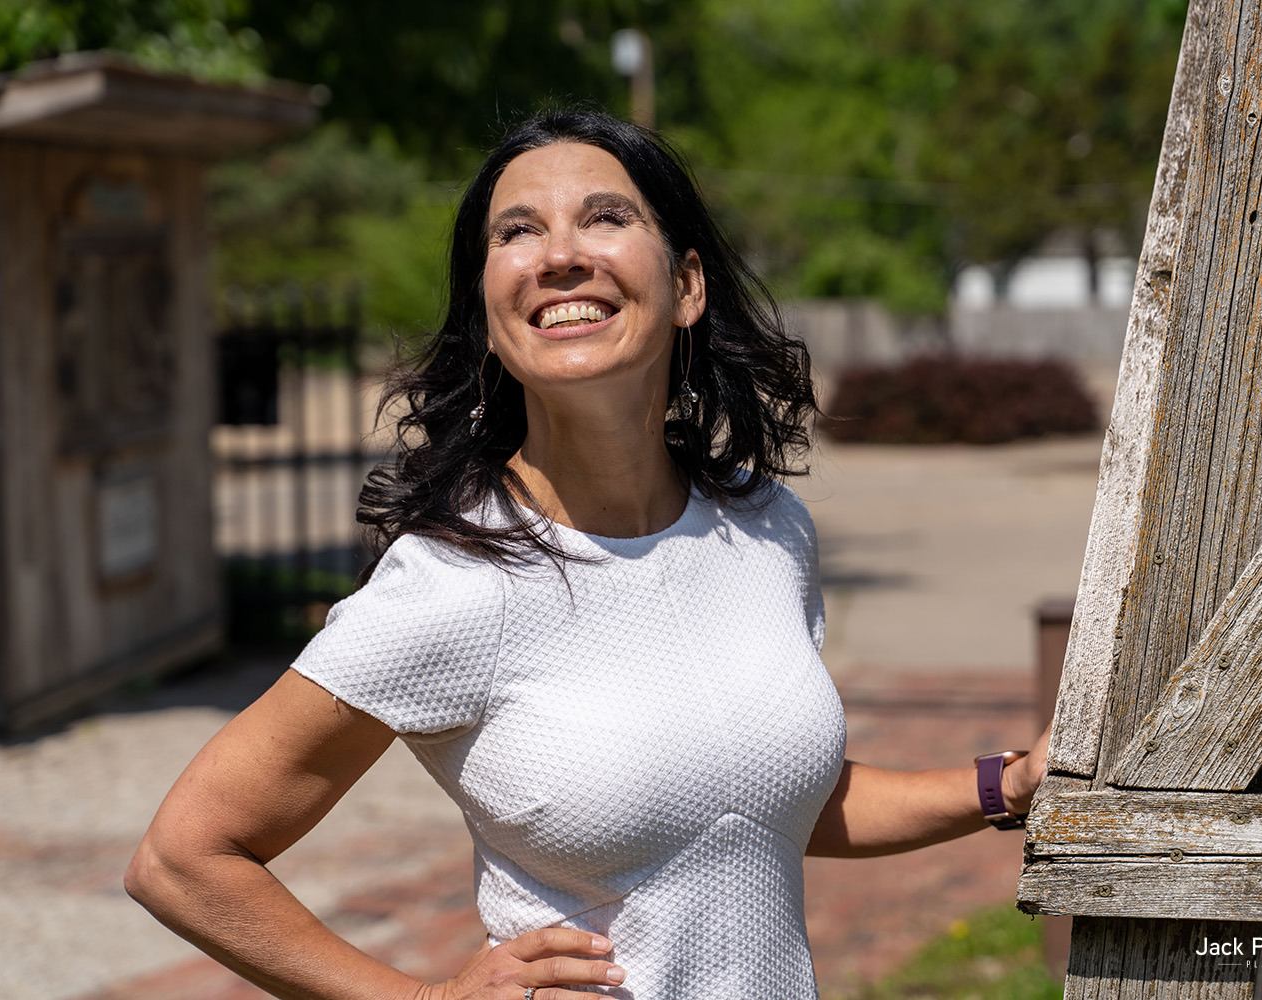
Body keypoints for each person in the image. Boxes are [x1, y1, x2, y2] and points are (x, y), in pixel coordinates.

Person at [126, 108, 1050, 1000]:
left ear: (687, 284)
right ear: (491, 314)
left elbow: (764, 803)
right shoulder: (452, 582)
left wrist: (1002, 785)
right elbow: (185, 857)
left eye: (606, 217)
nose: (560, 255)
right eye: (516, 233)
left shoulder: (767, 530)